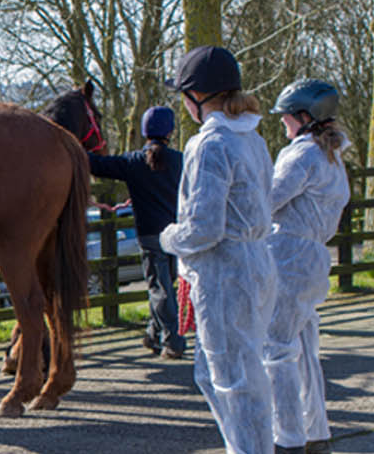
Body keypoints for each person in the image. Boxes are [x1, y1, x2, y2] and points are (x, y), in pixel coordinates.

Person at [158, 45, 277, 454]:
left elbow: (203, 227)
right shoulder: (252, 138)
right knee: (220, 375)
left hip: (224, 271)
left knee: (233, 382)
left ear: (197, 98)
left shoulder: (209, 144)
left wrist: (168, 237)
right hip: (257, 263)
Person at [262, 79, 351, 454]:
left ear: (303, 116)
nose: (282, 122)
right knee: (304, 351)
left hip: (288, 257)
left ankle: (288, 439)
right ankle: (316, 434)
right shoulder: (331, 157)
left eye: (286, 116)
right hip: (314, 259)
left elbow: (267, 200)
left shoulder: (301, 155)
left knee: (276, 351)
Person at [88, 106, 185, 359]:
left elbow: (96, 165)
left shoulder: (133, 162)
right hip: (176, 234)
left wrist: (76, 146)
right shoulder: (181, 160)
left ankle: (171, 340)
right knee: (166, 285)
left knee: (159, 288)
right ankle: (154, 334)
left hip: (149, 235)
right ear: (170, 131)